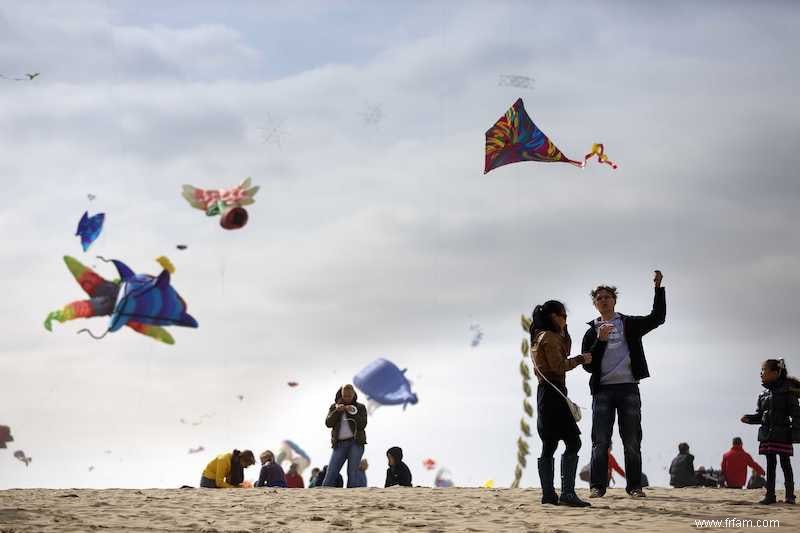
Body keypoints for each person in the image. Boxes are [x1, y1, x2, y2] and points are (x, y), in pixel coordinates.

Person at [582, 271, 666, 499]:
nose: (603, 300)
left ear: (614, 300)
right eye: (599, 298)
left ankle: (635, 487)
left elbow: (657, 318)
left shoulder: (629, 323)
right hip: (602, 391)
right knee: (600, 441)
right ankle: (597, 487)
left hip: (628, 387)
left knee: (631, 441)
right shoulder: (591, 331)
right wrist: (600, 341)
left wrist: (658, 289)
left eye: (607, 296)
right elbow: (587, 366)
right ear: (594, 304)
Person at [530, 300, 598, 507]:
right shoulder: (549, 337)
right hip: (554, 394)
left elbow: (563, 351)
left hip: (545, 394)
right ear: (552, 316)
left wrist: (565, 330)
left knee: (549, 444)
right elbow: (560, 364)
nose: (564, 319)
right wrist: (581, 359)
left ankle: (549, 495)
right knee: (573, 442)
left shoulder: (539, 336)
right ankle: (567, 493)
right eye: (562, 316)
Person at [741, 358, 800, 504]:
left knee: (785, 464)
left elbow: (797, 414)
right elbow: (761, 416)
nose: (761, 373)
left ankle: (790, 496)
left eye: (764, 370)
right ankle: (770, 495)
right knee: (770, 465)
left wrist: (795, 434)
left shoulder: (788, 391)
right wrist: (749, 418)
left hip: (783, 434)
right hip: (767, 435)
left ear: (775, 372)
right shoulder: (763, 394)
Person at [322, 384, 368, 487]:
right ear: (341, 394)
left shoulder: (360, 407)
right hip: (339, 444)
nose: (347, 398)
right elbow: (328, 423)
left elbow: (362, 425)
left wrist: (353, 412)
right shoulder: (334, 407)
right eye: (345, 396)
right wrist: (337, 412)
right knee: (331, 472)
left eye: (349, 396)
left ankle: (351, 499)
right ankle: (323, 496)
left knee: (352, 473)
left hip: (356, 443)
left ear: (353, 395)